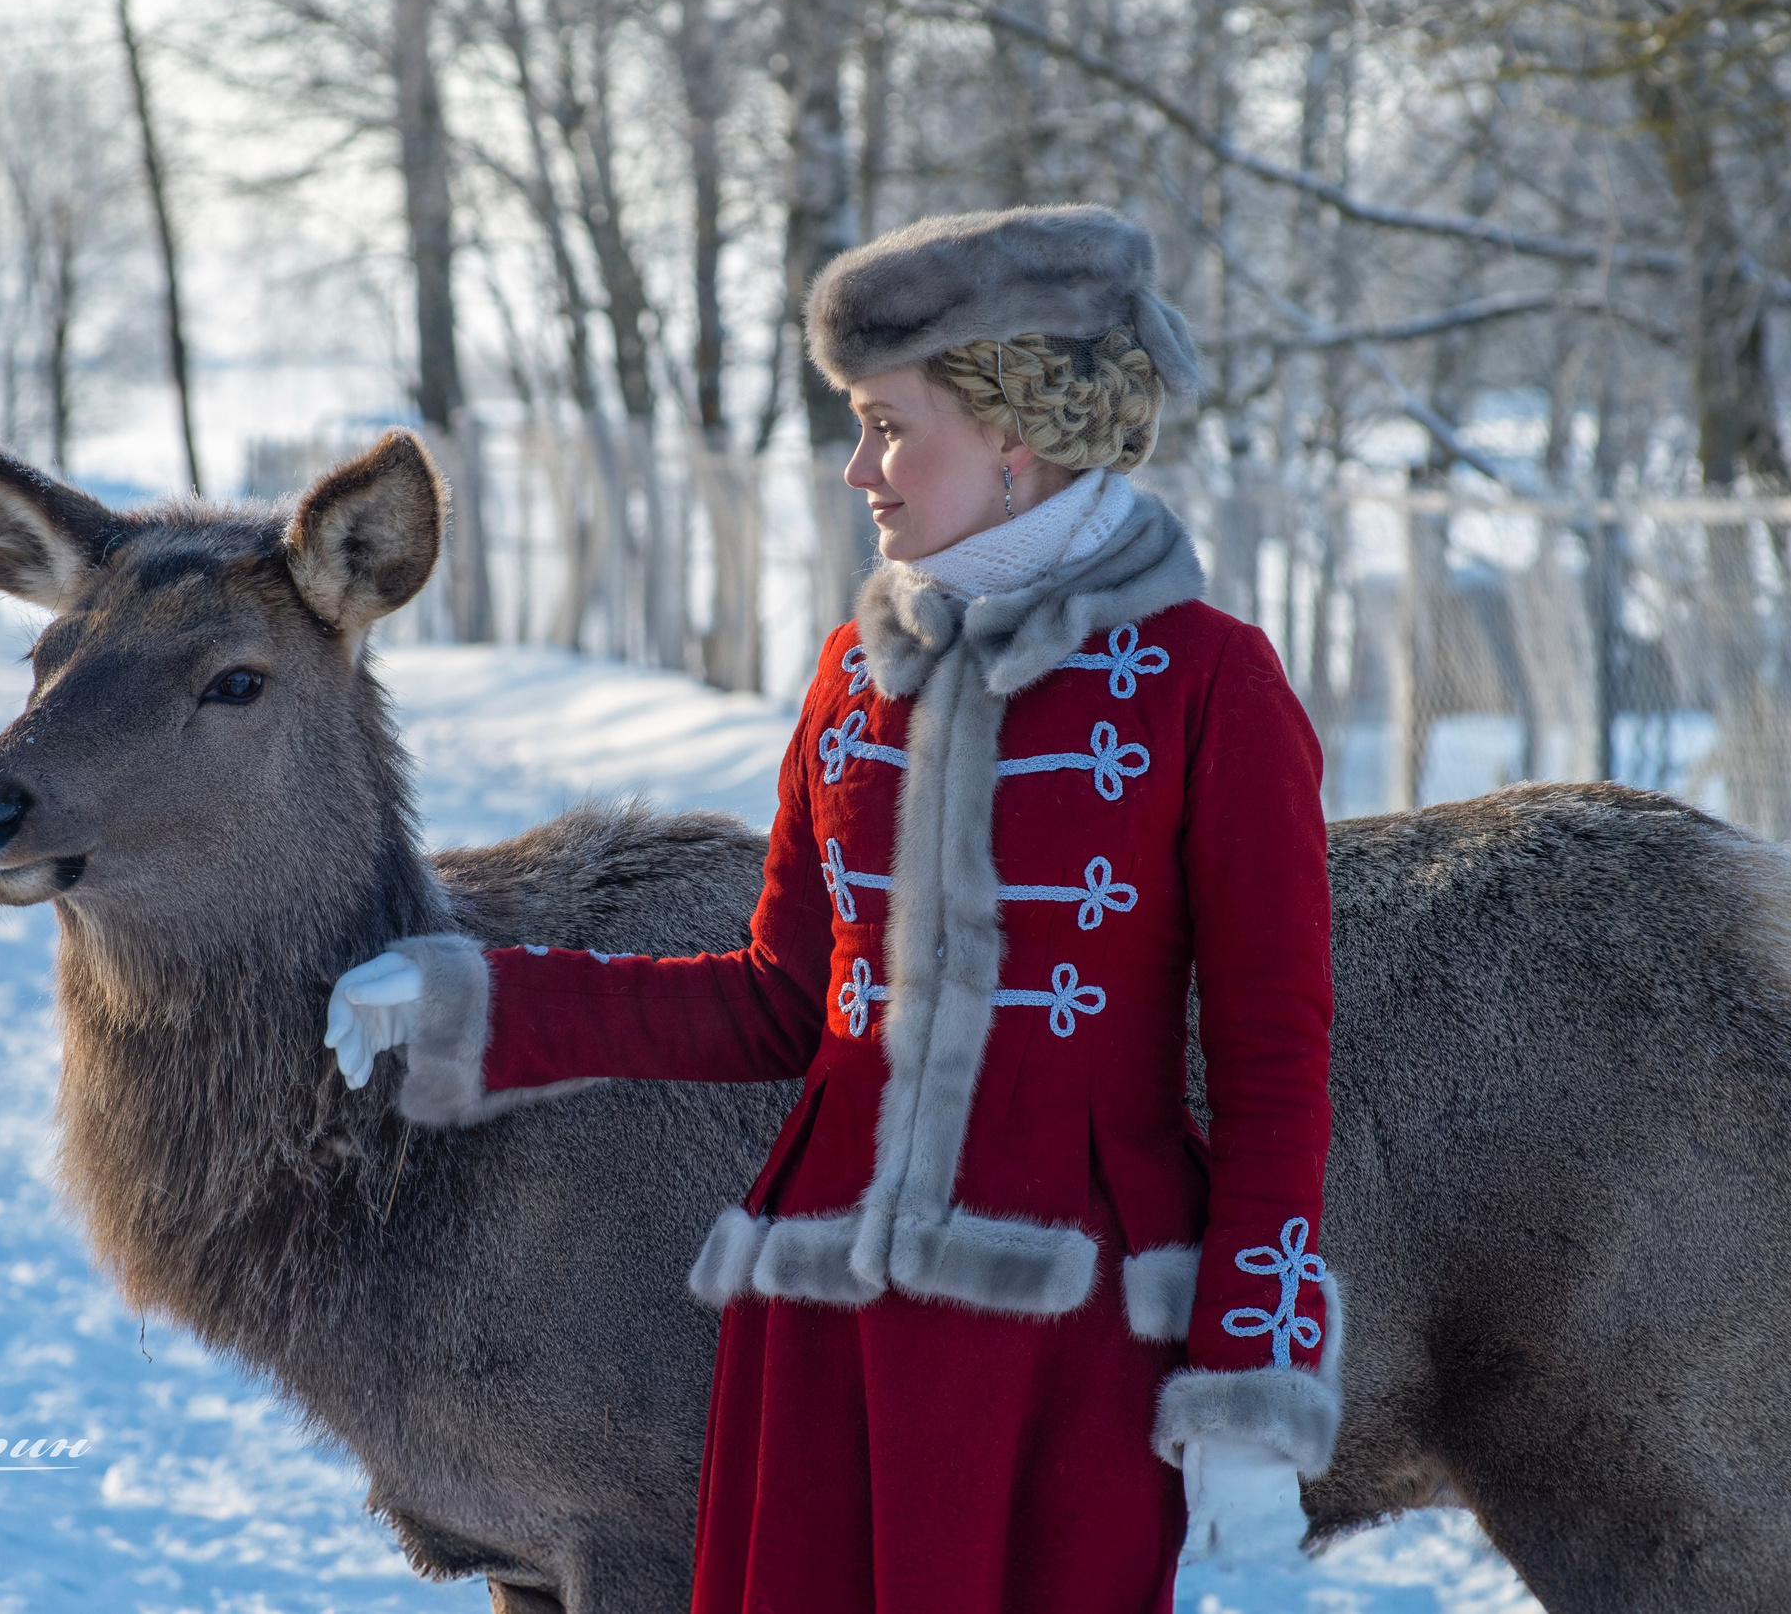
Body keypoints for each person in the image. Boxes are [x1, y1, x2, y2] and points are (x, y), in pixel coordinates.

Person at [325, 204, 1337, 1614]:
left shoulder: (1210, 681)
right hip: (819, 1328)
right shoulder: (855, 675)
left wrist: (1246, 1393)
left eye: (884, 425)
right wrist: (476, 995)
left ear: (1014, 428)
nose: (857, 468)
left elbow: (1277, 1071)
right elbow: (773, 999)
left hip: (1069, 1349)